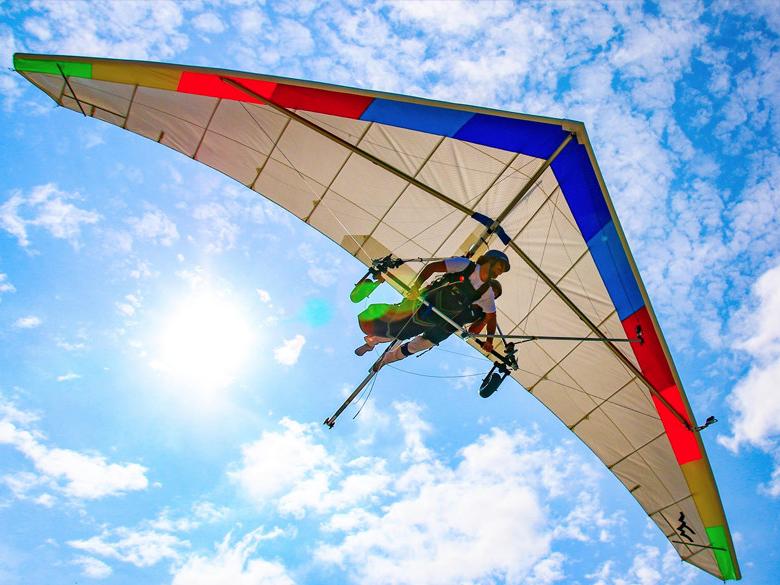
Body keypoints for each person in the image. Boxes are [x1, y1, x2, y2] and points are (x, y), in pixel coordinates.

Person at [354, 250, 510, 371]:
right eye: (499, 267)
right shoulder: (465, 265)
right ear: (490, 261)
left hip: (440, 322)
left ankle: (384, 360)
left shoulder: (485, 293)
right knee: (400, 328)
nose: (499, 273)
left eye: (501, 271)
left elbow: (492, 317)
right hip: (428, 304)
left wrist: (489, 341)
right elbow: (433, 267)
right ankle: (373, 340)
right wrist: (416, 287)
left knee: (413, 344)